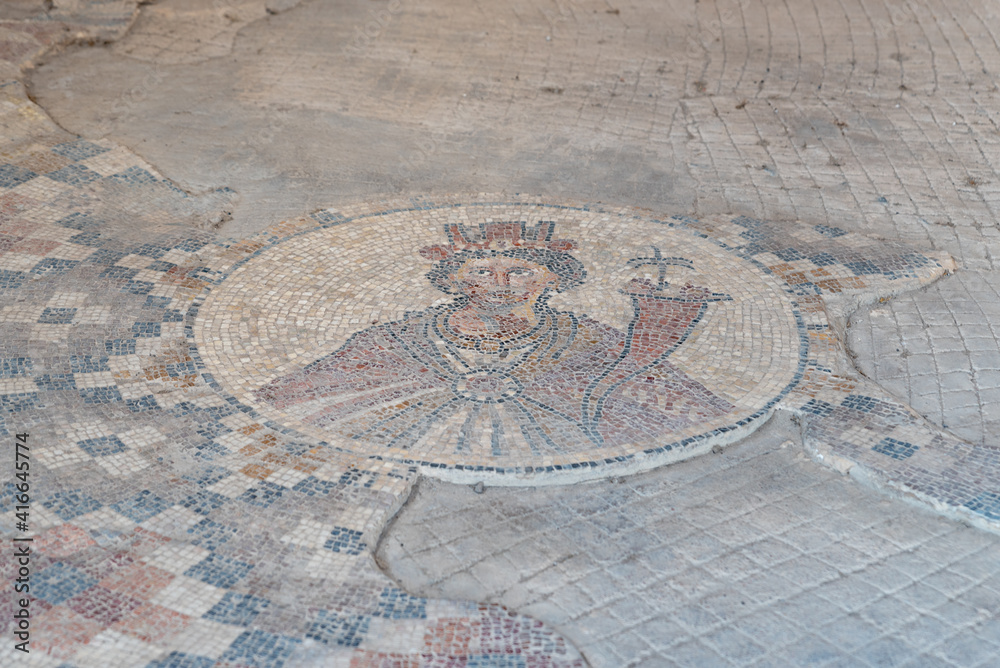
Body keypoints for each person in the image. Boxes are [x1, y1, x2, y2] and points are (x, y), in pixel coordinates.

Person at [254, 221, 734, 458]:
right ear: (456, 280)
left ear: (550, 280)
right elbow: (309, 388)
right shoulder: (395, 338)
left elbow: (669, 397)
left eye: (521, 270)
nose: (500, 282)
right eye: (482, 270)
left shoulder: (589, 339)